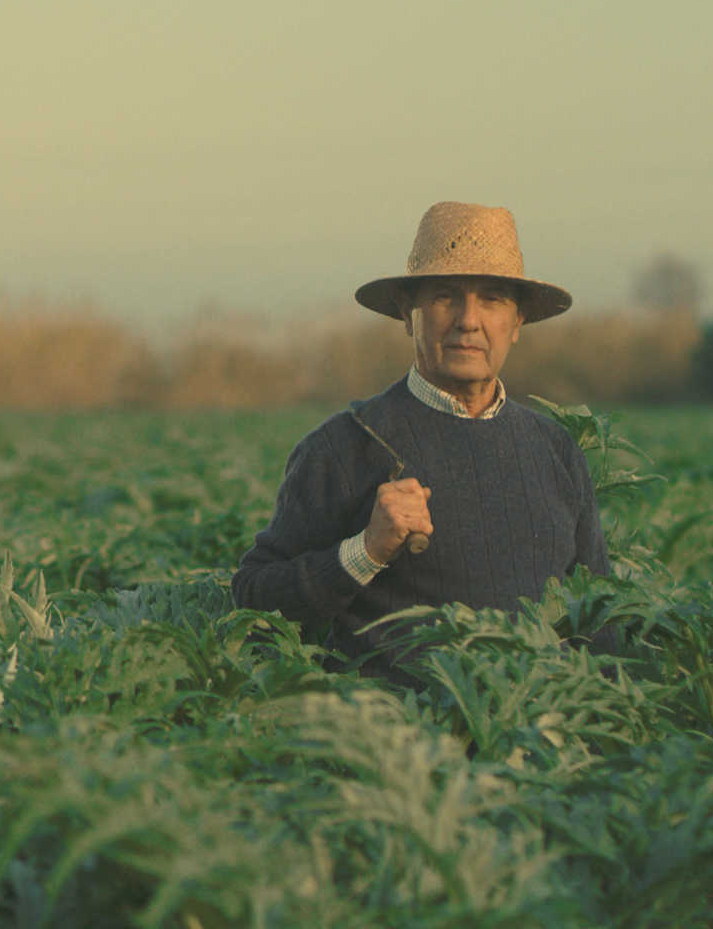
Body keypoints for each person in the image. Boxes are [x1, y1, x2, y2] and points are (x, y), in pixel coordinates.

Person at [231, 201, 611, 682]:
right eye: (445, 297)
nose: (468, 320)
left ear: (517, 323)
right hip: (397, 746)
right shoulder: (343, 447)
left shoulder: (555, 450)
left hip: (534, 741)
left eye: (492, 299)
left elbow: (599, 625)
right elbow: (253, 595)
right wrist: (365, 552)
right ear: (408, 315)